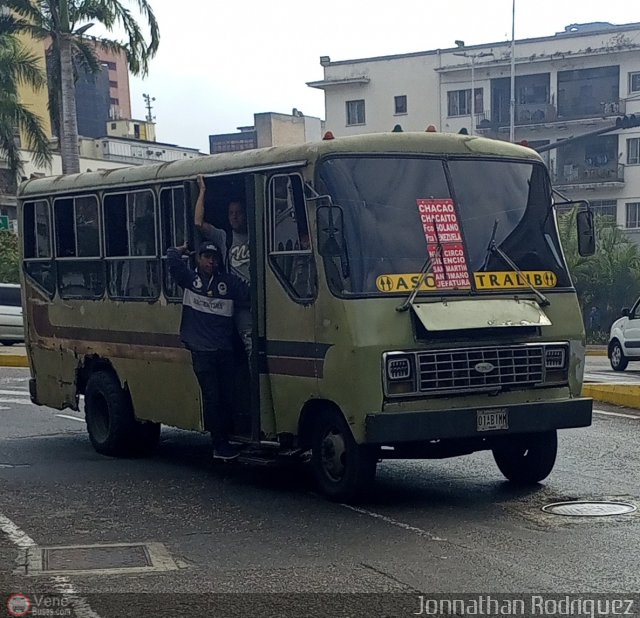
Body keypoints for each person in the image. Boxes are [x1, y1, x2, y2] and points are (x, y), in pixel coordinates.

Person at [167, 241, 249, 460]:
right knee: (212, 398)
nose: (210, 261)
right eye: (206, 256)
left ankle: (228, 436)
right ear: (198, 259)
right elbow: (172, 263)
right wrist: (180, 249)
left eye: (213, 257)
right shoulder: (190, 280)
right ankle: (219, 444)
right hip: (202, 351)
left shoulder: (227, 283)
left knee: (227, 397)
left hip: (224, 349)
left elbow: (249, 293)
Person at [194, 175, 252, 356]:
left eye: (238, 213)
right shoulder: (223, 237)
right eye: (231, 213)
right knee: (248, 345)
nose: (234, 217)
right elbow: (198, 223)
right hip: (238, 302)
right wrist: (202, 191)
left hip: (257, 298)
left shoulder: (258, 232)